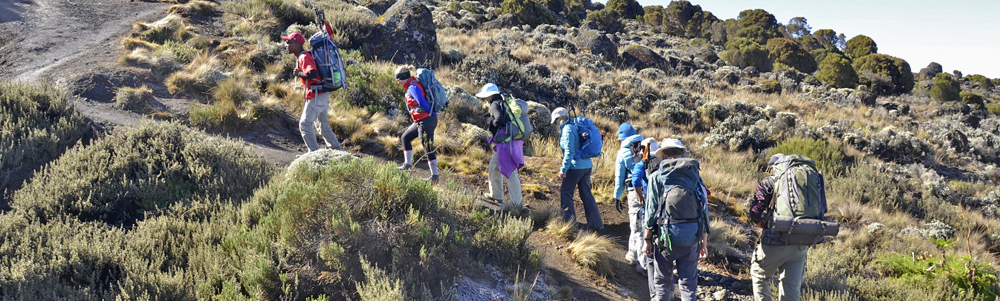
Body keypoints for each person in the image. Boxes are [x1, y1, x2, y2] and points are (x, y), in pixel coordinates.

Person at [747, 154, 826, 301]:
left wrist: (760, 222)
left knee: (759, 275)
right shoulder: (808, 181)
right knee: (791, 287)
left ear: (773, 168)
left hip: (774, 241)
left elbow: (755, 211)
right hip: (801, 243)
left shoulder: (769, 182)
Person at [643, 138, 709, 301]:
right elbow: (704, 210)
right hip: (691, 238)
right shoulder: (694, 177)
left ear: (663, 155)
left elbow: (651, 211)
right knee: (688, 285)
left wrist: (647, 239)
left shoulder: (657, 176)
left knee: (663, 283)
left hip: (665, 239)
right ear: (682, 154)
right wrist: (704, 243)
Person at [282, 31, 342, 152]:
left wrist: (299, 73)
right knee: (323, 127)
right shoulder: (304, 56)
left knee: (304, 124)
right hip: (322, 95)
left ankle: (313, 153)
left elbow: (312, 73)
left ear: (297, 44)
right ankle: (337, 151)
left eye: (289, 42)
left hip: (316, 96)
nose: (286, 45)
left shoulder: (303, 57)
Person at [551, 107, 602, 230]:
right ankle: (596, 224)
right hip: (587, 166)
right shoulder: (575, 126)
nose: (556, 124)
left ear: (561, 118)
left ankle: (569, 223)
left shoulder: (568, 130)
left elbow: (569, 152)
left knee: (566, 193)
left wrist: (563, 169)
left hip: (575, 167)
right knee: (586, 194)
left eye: (556, 121)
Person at [476, 83, 524, 209]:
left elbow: (499, 120)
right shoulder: (504, 102)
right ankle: (496, 194)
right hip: (511, 140)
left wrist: (490, 121)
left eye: (486, 96)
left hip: (506, 143)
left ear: (490, 95)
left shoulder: (495, 104)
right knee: (494, 166)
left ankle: (516, 204)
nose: (485, 99)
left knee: (511, 172)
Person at [394, 65, 439, 183]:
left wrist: (432, 113)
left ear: (403, 78)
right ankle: (407, 165)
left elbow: (422, 102)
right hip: (420, 120)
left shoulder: (413, 87)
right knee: (405, 137)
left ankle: (435, 177)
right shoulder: (411, 86)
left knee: (428, 148)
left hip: (426, 120)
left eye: (398, 80)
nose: (398, 83)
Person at [613, 123, 645, 273]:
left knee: (637, 226)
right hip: (651, 191)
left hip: (635, 192)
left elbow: (619, 178)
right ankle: (632, 254)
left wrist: (617, 197)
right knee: (640, 223)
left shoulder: (623, 152)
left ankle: (642, 264)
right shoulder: (647, 146)